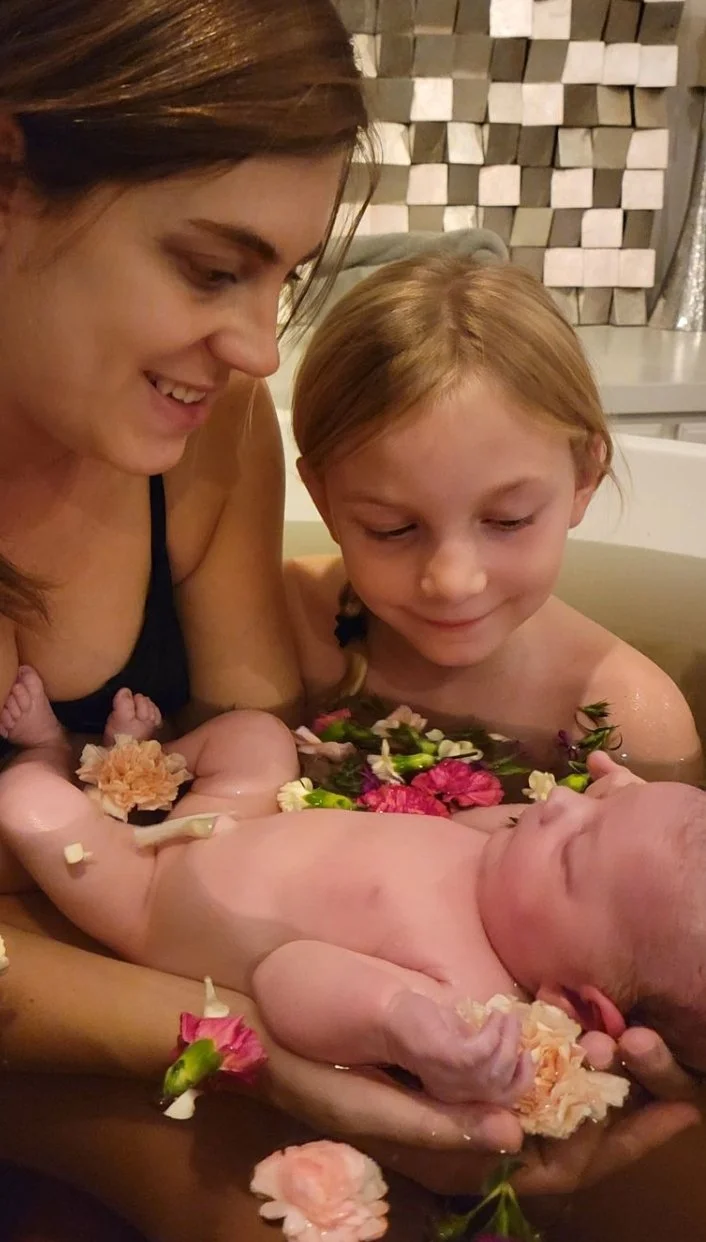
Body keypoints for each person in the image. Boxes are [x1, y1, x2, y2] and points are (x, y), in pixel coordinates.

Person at [0, 4, 696, 1236]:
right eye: (214, 267)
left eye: (284, 275)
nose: (263, 350)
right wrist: (255, 1034)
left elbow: (264, 757)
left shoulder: (204, 431)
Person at [0, 680, 704, 1111]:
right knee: (257, 735)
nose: (558, 808)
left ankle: (49, 757)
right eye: (597, 799)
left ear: (572, 1003)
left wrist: (398, 1024)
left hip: (149, 895)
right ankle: (133, 768)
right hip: (244, 817)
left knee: (28, 803)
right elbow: (565, 833)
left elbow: (286, 976)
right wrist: (627, 812)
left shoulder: (466, 997)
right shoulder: (509, 848)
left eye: (575, 851)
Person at [285, 254, 703, 783]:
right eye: (391, 528)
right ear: (323, 501)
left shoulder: (629, 721)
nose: (454, 581)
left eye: (509, 521)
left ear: (584, 479)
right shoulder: (286, 624)